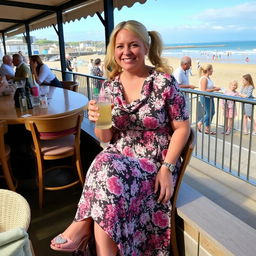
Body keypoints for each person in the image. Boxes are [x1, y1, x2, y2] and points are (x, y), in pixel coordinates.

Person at [50, 20, 190, 255]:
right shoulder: (110, 87)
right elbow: (105, 138)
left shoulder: (164, 83)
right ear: (113, 52)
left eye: (133, 45)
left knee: (104, 163)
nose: (126, 52)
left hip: (153, 163)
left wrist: (167, 167)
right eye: (120, 46)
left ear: (146, 47)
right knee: (105, 163)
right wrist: (98, 120)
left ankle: (82, 224)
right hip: (117, 161)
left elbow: (182, 128)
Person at [197, 64, 220, 134]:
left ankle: (207, 129)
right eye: (212, 69)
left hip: (209, 97)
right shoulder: (204, 79)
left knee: (212, 112)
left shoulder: (208, 78)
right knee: (209, 113)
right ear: (208, 70)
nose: (213, 71)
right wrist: (215, 89)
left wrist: (216, 88)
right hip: (205, 98)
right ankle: (200, 122)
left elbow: (210, 87)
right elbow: (204, 91)